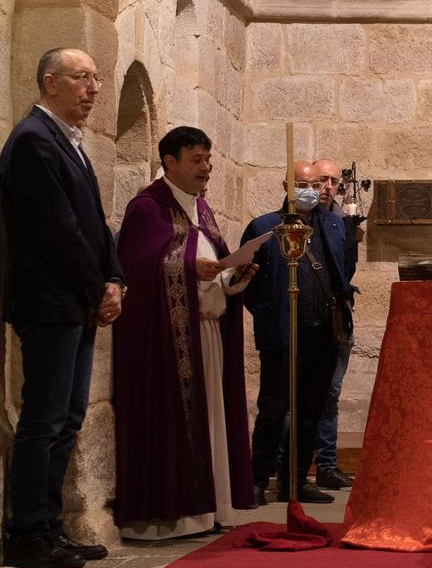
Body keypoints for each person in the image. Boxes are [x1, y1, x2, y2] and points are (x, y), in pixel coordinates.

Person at [0, 48, 123, 568]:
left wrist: (113, 276)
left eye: (96, 78)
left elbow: (94, 222)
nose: (93, 88)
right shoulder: (32, 141)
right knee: (44, 419)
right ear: (50, 82)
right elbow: (57, 232)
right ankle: (28, 531)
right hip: (50, 301)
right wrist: (97, 287)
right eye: (81, 78)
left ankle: (50, 525)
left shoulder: (69, 142)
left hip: (76, 299)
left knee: (67, 418)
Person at [113, 126, 257, 540]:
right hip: (169, 339)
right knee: (178, 422)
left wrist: (235, 273)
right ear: (170, 162)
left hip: (208, 332)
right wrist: (188, 269)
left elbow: (212, 262)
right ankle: (174, 515)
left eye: (208, 159)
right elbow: (138, 267)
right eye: (196, 160)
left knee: (210, 417)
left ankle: (209, 508)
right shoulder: (147, 208)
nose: (206, 168)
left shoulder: (201, 208)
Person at [244, 162, 349, 505]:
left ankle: (296, 480)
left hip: (322, 333)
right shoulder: (264, 226)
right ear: (286, 185)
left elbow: (342, 271)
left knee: (310, 411)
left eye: (315, 183)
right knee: (274, 409)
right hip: (283, 332)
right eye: (301, 183)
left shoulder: (333, 224)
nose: (311, 189)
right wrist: (268, 312)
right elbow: (248, 279)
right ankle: (258, 479)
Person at [309, 157, 358, 490]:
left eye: (332, 182)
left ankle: (326, 464)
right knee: (290, 397)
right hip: (304, 320)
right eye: (320, 181)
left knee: (330, 393)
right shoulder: (287, 223)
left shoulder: (341, 224)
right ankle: (288, 466)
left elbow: (346, 268)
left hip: (336, 318)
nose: (327, 188)